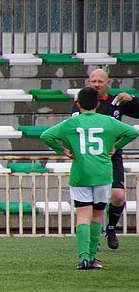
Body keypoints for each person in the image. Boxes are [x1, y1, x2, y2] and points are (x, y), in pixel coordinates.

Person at [41, 87, 138, 270]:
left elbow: (46, 136)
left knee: (82, 216)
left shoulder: (72, 122)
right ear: (98, 104)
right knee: (97, 215)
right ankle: (92, 257)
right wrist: (115, 146)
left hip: (80, 174)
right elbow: (132, 132)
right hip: (102, 173)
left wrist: (63, 151)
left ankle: (84, 257)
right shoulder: (108, 121)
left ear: (78, 105)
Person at [77, 68, 139, 250]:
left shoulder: (117, 101)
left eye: (100, 81)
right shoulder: (82, 102)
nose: (97, 84)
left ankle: (111, 228)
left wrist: (133, 100)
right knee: (92, 202)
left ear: (108, 83)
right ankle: (92, 240)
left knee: (118, 196)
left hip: (112, 157)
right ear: (89, 82)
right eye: (93, 81)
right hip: (90, 159)